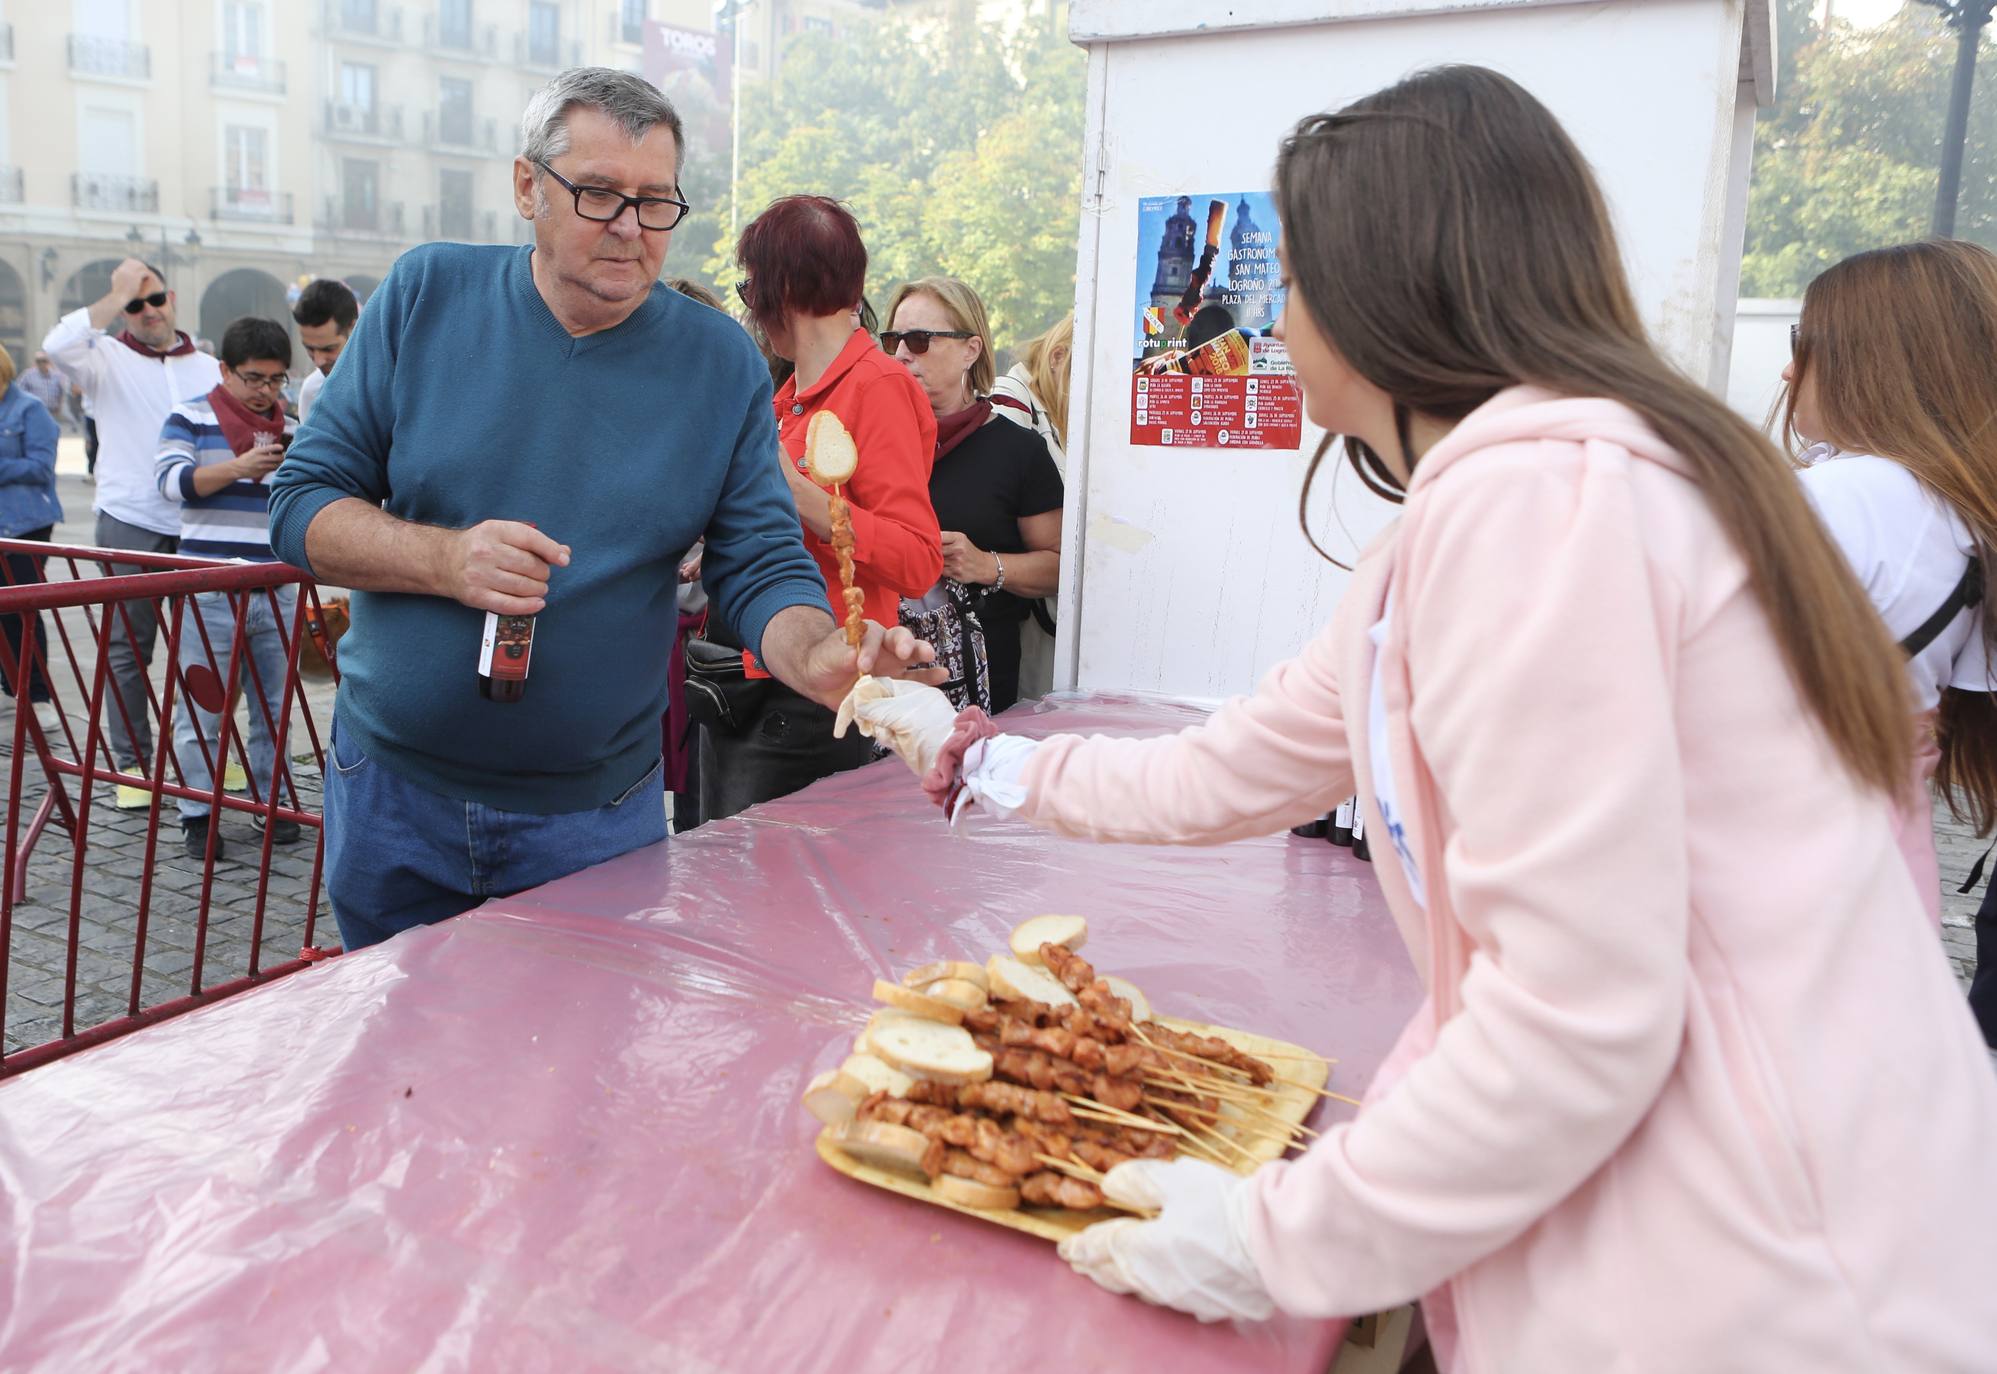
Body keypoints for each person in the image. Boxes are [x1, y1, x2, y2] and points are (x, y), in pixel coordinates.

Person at [861, 66, 1997, 1370]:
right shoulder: (1512, 495)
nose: (1274, 326)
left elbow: (1573, 1019)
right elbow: (1235, 766)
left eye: (1289, 282)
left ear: (1385, 288)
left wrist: (1265, 1238)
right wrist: (967, 752)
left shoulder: (1540, 503)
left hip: (1764, 1276)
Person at [267, 68, 930, 950]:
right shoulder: (427, 296)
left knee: (578, 1070)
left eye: (656, 202)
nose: (629, 227)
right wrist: (443, 560)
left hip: (592, 815)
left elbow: (761, 559)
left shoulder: (719, 365)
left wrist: (817, 653)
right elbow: (301, 503)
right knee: (399, 1063)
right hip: (395, 790)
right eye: (599, 193)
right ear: (526, 188)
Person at [1778, 241, 1997, 1048]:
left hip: (1787, 880)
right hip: (1883, 878)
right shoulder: (1956, 512)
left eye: (1800, 344)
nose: (1787, 373)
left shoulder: (1848, 495)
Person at [697, 196, 942, 822]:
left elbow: (918, 560)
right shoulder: (789, 395)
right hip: (756, 674)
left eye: (750, 287)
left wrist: (802, 497)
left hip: (814, 690)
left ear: (777, 289)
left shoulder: (878, 387)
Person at [43, 258, 221, 808]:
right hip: (131, 520)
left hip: (199, 520)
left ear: (172, 298)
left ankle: (207, 758)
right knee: (127, 647)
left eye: (154, 299)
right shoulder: (103, 357)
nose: (147, 311)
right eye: (134, 304)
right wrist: (116, 293)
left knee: (208, 646)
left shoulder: (209, 366)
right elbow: (57, 345)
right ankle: (132, 765)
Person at [156, 317, 302, 861]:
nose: (267, 392)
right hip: (210, 591)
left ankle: (274, 804)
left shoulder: (292, 424)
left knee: (276, 708)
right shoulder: (190, 416)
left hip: (276, 587)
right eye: (254, 379)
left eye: (276, 380)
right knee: (203, 708)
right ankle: (198, 811)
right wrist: (240, 467)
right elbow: (171, 484)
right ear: (224, 371)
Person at [886, 278, 1062, 712]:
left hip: (979, 687)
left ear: (971, 349)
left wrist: (987, 565)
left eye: (920, 339)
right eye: (893, 339)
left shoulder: (1017, 451)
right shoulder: (874, 443)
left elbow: (1062, 568)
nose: (902, 353)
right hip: (884, 672)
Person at [0, 343, 64, 717]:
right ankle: (11, 685)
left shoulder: (29, 409)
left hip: (26, 525)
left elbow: (41, 466)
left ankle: (37, 693)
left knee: (21, 609)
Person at [291, 279, 359, 424]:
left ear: (353, 328)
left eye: (329, 349)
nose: (318, 361)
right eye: (310, 349)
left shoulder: (392, 379)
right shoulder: (312, 390)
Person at [17, 352, 67, 432]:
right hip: (34, 411)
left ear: (49, 362)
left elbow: (62, 391)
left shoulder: (57, 375)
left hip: (52, 411)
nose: (41, 363)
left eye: (44, 361)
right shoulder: (28, 375)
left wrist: (60, 405)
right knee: (36, 433)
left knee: (51, 433)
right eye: (38, 361)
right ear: (35, 362)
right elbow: (19, 391)